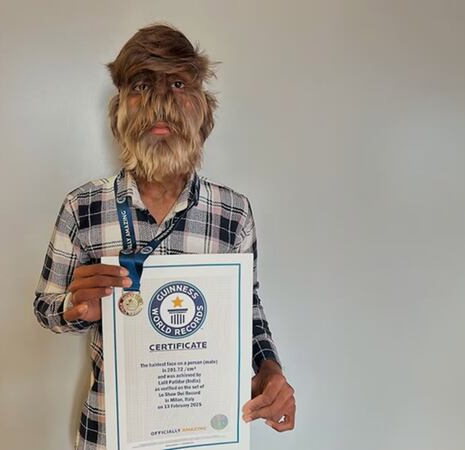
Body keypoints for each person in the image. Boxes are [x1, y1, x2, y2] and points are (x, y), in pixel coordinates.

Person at [34, 23, 296, 449]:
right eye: (141, 86)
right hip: (110, 434)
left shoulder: (233, 213)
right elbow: (46, 308)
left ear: (204, 111)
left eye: (178, 84)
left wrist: (269, 367)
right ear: (120, 112)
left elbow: (247, 305)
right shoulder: (83, 207)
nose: (161, 104)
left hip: (204, 433)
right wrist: (75, 308)